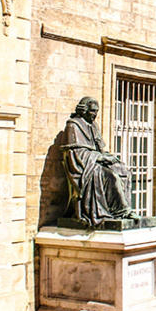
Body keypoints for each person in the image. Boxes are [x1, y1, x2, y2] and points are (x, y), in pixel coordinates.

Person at [61, 97, 135, 226]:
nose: (95, 114)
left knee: (122, 170)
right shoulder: (73, 126)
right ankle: (121, 211)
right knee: (110, 175)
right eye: (92, 111)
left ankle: (123, 210)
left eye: (96, 111)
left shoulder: (93, 126)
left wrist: (107, 157)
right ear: (84, 111)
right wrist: (99, 158)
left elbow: (98, 148)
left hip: (94, 161)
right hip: (83, 167)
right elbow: (75, 154)